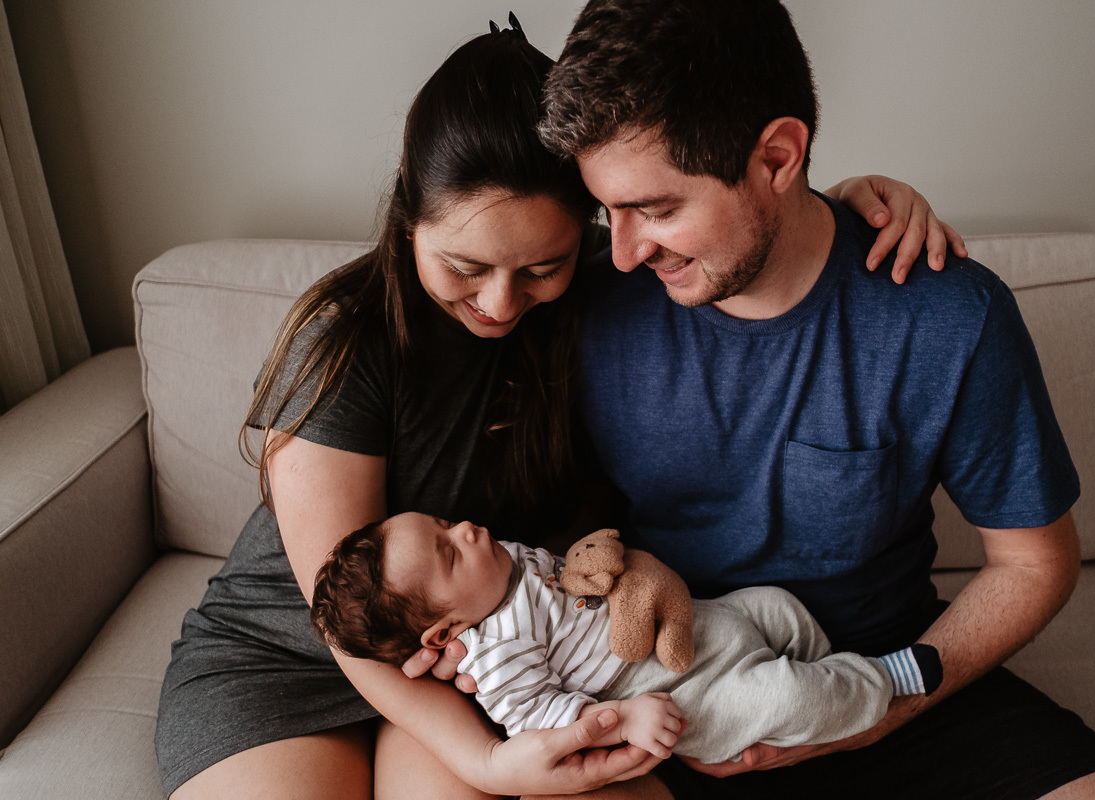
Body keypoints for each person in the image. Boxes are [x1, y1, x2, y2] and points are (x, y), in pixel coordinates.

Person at [153, 19, 968, 800]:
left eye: (542, 266)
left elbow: (740, 225)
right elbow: (342, 627)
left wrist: (855, 201)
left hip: (503, 659)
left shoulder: (606, 287)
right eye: (465, 266)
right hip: (294, 655)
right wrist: (492, 762)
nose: (502, 303)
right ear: (408, 216)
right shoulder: (346, 346)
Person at [445, 1, 1095, 798]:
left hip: (883, 683)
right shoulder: (579, 297)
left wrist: (875, 715)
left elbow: (1035, 563)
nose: (622, 252)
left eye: (656, 211)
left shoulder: (946, 315)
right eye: (607, 212)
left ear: (777, 157)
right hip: (654, 700)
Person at [309, 512, 945, 765]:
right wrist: (621, 721)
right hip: (661, 691)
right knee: (780, 698)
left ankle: (828, 673)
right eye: (450, 551)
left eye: (447, 523)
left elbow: (575, 581)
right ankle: (882, 681)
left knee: (776, 607)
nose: (470, 529)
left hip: (696, 621)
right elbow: (542, 719)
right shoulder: (496, 656)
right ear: (445, 630)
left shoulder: (498, 564)